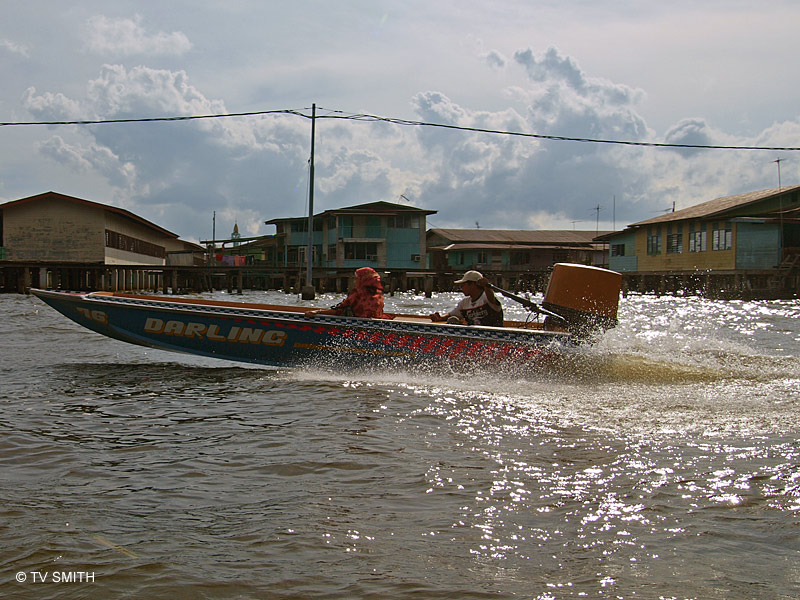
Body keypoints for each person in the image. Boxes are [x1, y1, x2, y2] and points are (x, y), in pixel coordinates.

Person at [305, 267, 393, 319]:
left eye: (356, 278)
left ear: (363, 280)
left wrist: (317, 312)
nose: (354, 281)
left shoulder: (358, 294)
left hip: (358, 327)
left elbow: (338, 310)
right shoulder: (378, 295)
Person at [430, 270, 504, 326]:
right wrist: (440, 318)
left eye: (463, 285)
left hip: (491, 335)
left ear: (472, 284)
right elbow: (452, 314)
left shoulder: (487, 297)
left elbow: (491, 298)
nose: (461, 288)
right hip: (474, 336)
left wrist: (486, 286)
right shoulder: (464, 303)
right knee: (452, 320)